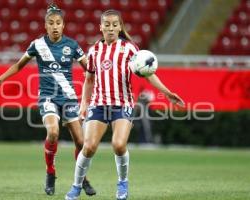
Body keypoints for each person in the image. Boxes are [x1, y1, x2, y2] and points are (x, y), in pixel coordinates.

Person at [65, 9, 184, 200]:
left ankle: (122, 184)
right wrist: (84, 104)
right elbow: (89, 80)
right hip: (99, 104)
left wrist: (167, 92)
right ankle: (76, 186)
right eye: (107, 24)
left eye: (114, 25)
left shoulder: (129, 49)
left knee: (119, 145)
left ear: (120, 27)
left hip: (123, 104)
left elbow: (148, 72)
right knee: (88, 147)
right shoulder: (94, 50)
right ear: (100, 27)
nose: (111, 28)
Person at [0, 4, 96, 197]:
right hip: (47, 96)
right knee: (53, 131)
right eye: (51, 23)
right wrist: (2, 77)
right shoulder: (37, 45)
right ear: (45, 25)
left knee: (81, 142)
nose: (55, 26)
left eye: (58, 23)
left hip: (69, 98)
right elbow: (18, 65)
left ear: (63, 25)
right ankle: (50, 172)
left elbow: (89, 68)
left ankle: (82, 179)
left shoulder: (72, 45)